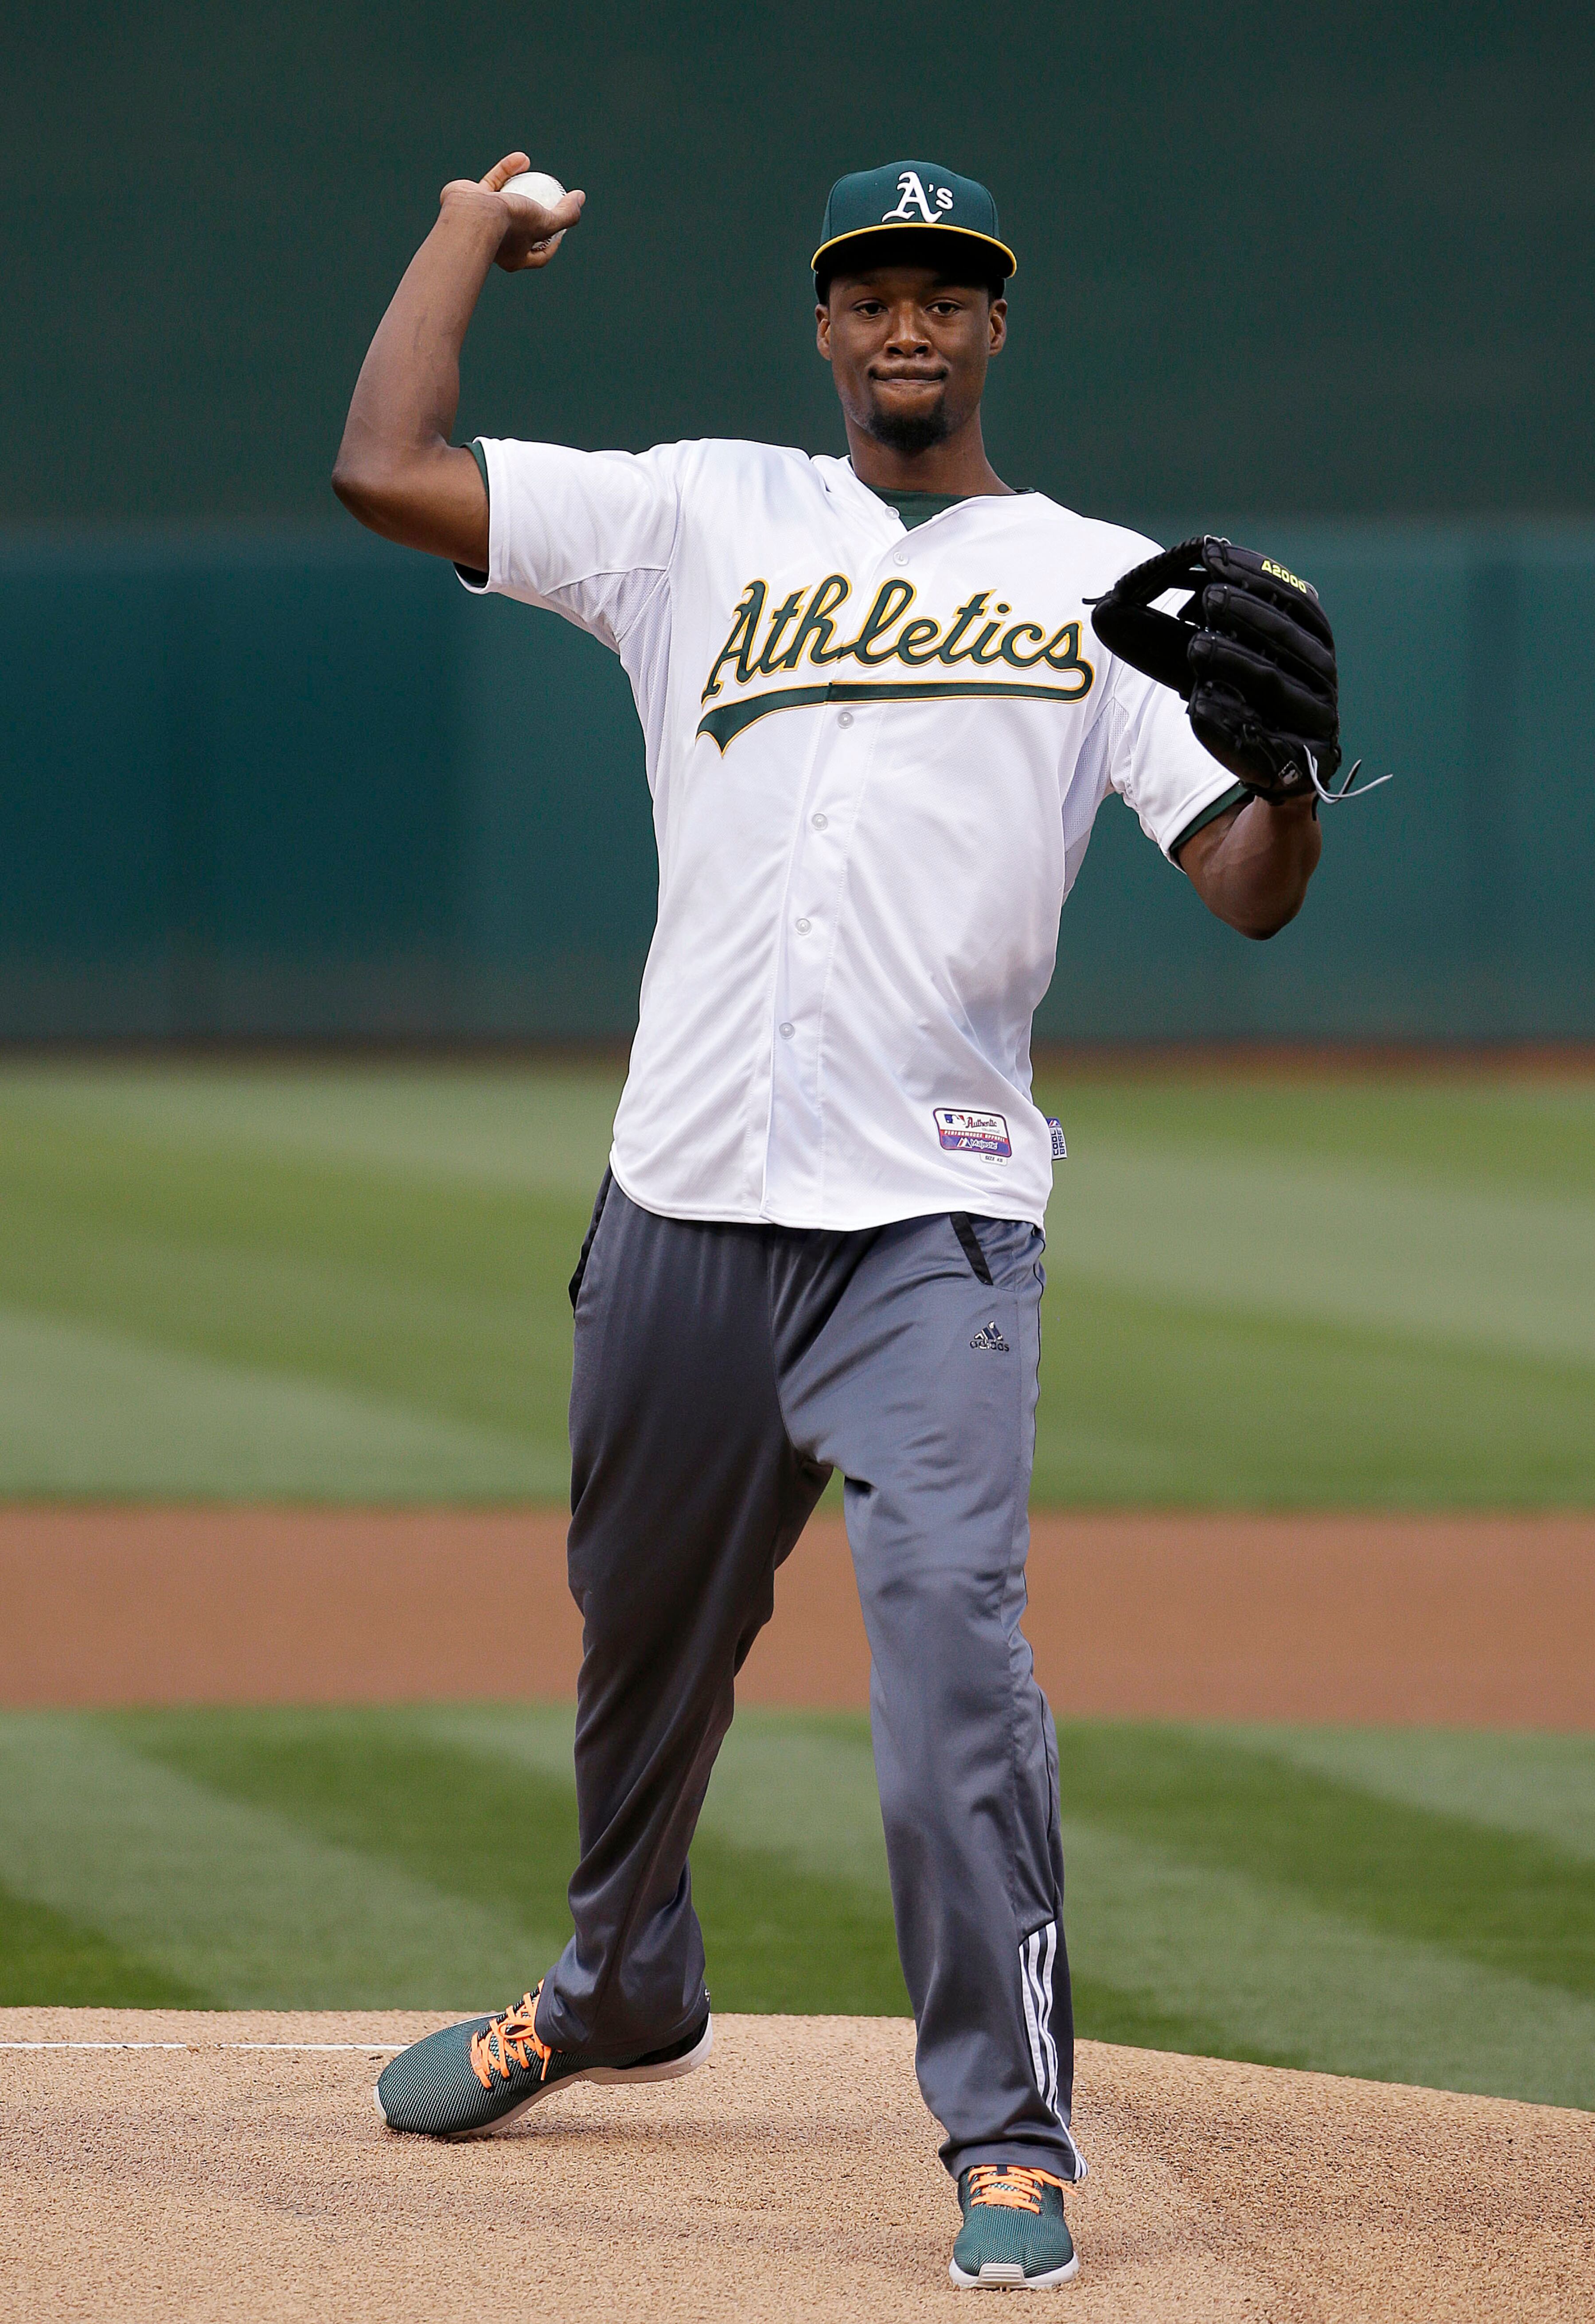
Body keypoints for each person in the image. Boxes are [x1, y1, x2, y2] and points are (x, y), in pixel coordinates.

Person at [333, 152, 1322, 2292]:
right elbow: (387, 466)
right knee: (639, 1674)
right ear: (824, 325)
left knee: (958, 1660)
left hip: (935, 1233)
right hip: (679, 1212)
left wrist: (1293, 775)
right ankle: (617, 1986)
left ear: (993, 331)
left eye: (945, 292)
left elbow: (1242, 881)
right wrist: (459, 235)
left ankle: (1010, 2133)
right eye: (870, 288)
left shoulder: (1101, 582)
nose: (906, 322)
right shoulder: (699, 516)